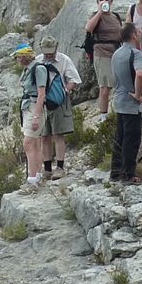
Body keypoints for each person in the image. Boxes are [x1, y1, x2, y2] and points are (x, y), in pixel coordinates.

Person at [38, 35, 81, 180]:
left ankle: (60, 167)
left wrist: (65, 90)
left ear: (56, 48)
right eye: (46, 52)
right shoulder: (38, 61)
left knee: (58, 134)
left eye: (51, 52)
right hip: (42, 103)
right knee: (44, 136)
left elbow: (74, 79)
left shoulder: (64, 60)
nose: (49, 55)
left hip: (59, 102)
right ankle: (47, 169)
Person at [110, 24, 142, 184]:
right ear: (133, 35)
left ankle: (115, 172)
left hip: (118, 100)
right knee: (131, 140)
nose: (140, 33)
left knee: (120, 137)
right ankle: (128, 174)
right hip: (131, 103)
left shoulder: (116, 54)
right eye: (138, 31)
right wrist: (138, 94)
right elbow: (139, 74)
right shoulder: (136, 53)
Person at [84, 0, 123, 124]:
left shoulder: (116, 16)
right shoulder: (95, 16)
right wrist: (100, 12)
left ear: (111, 1)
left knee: (119, 84)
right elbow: (88, 28)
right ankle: (103, 116)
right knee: (105, 86)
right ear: (97, 2)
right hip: (102, 53)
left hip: (116, 52)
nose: (104, 1)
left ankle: (118, 112)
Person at [13, 43, 47, 187]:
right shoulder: (28, 69)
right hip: (28, 107)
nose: (17, 59)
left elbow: (41, 94)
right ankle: (37, 175)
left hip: (34, 107)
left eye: (18, 56)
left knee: (28, 143)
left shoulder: (38, 69)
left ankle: (32, 179)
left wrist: (36, 116)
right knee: (35, 142)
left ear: (25, 56)